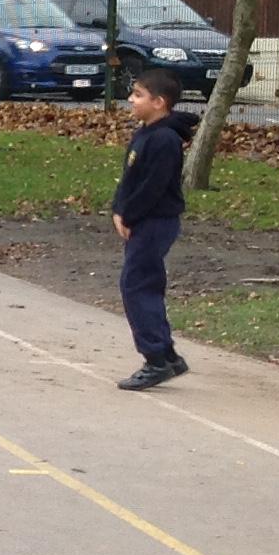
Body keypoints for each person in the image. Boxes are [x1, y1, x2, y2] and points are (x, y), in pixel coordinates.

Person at [112, 67, 199, 391]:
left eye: (138, 95)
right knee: (143, 283)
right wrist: (118, 209)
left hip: (155, 221)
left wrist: (130, 215)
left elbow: (153, 187)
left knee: (137, 286)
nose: (131, 100)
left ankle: (156, 359)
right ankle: (167, 355)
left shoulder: (165, 140)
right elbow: (130, 179)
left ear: (159, 102)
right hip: (141, 219)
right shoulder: (145, 133)